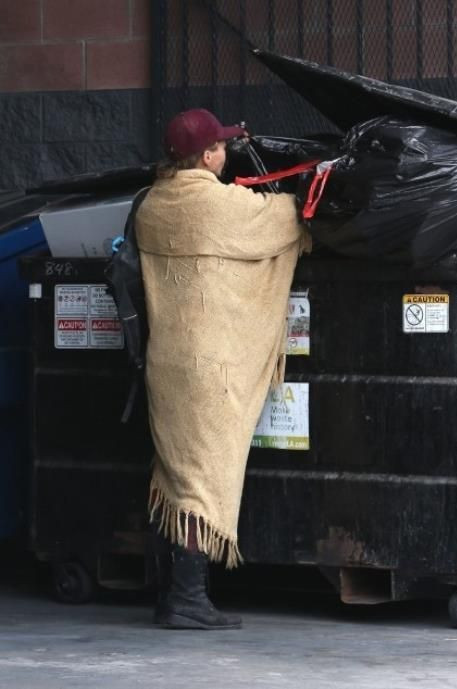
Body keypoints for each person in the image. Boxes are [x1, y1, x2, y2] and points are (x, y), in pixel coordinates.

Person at [135, 108, 310, 630]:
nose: (227, 154)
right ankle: (187, 598)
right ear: (208, 155)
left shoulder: (150, 206)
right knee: (204, 481)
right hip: (210, 368)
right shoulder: (218, 205)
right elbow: (287, 219)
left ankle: (176, 591)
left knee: (178, 475)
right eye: (223, 148)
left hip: (167, 361)